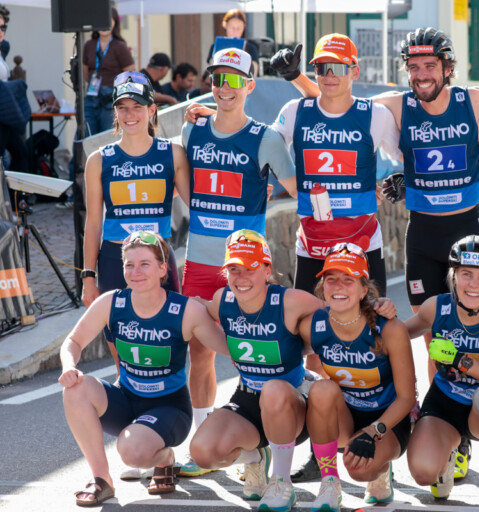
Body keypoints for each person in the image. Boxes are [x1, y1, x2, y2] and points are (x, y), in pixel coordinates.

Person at [270, 27, 479, 480]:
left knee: (426, 333)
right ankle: (328, 436)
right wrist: (299, 78)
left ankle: (438, 425)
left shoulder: (452, 102)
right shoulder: (380, 106)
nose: (421, 74)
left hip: (402, 238)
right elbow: (325, 107)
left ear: (447, 66)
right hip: (348, 241)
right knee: (319, 344)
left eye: (429, 65)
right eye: (414, 67)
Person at [179, 47, 297, 478]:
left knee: (256, 353)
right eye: (216, 79)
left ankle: (261, 441)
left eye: (234, 80)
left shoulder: (265, 137)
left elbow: (296, 187)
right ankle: (201, 436)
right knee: (200, 352)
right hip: (199, 261)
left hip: (243, 265)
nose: (223, 88)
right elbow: (182, 182)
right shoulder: (191, 130)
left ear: (250, 85)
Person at [58, 232, 229, 507]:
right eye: (129, 264)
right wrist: (69, 367)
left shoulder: (185, 310)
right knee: (74, 390)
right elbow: (74, 341)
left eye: (145, 264)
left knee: (132, 452)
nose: (135, 272)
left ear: (163, 269)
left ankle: (164, 458)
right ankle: (101, 480)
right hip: (126, 400)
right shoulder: (112, 302)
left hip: (170, 408)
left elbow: (228, 349)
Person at [188, 230, 325, 506]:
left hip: (294, 400)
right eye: (234, 270)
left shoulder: (290, 301)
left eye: (250, 269)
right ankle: (256, 456)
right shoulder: (222, 300)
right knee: (202, 452)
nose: (241, 278)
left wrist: (378, 308)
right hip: (249, 397)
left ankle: (281, 481)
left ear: (266, 270)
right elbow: (202, 310)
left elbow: (341, 317)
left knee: (274, 389)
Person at [82, 71, 189, 388]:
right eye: (123, 107)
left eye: (137, 106)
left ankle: (167, 419)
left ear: (152, 109)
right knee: (123, 358)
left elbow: (200, 206)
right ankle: (132, 413)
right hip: (115, 261)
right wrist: (89, 277)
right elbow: (92, 222)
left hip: (159, 259)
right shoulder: (99, 160)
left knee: (169, 345)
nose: (130, 115)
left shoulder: (173, 153)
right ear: (114, 112)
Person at [272, 33, 399, 295]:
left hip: (363, 241)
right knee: (308, 328)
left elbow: (408, 157)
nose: (329, 75)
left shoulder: (376, 115)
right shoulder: (294, 111)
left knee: (374, 325)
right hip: (312, 243)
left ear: (355, 72)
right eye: (321, 67)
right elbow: (264, 146)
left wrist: (405, 181)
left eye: (338, 67)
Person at [405, 235, 479, 512]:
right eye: (466, 274)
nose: (473, 283)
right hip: (444, 403)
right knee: (423, 472)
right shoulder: (437, 306)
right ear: (454, 276)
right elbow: (397, 335)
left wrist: (460, 360)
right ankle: (447, 454)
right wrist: (376, 313)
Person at [302, 243, 415, 511]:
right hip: (345, 415)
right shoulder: (312, 324)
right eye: (331, 279)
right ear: (322, 287)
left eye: (348, 279)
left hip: (387, 418)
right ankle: (329, 483)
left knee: (360, 470)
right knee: (320, 390)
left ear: (364, 290)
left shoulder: (390, 328)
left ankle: (382, 472)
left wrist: (375, 430)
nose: (338, 286)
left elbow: (407, 396)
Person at [82, 8, 134, 136]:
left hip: (110, 98)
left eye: (108, 21)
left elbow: (130, 75)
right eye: (100, 21)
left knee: (107, 136)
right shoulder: (89, 45)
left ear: (114, 23)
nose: (104, 25)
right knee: (87, 135)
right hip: (92, 95)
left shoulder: (120, 46)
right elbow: (85, 72)